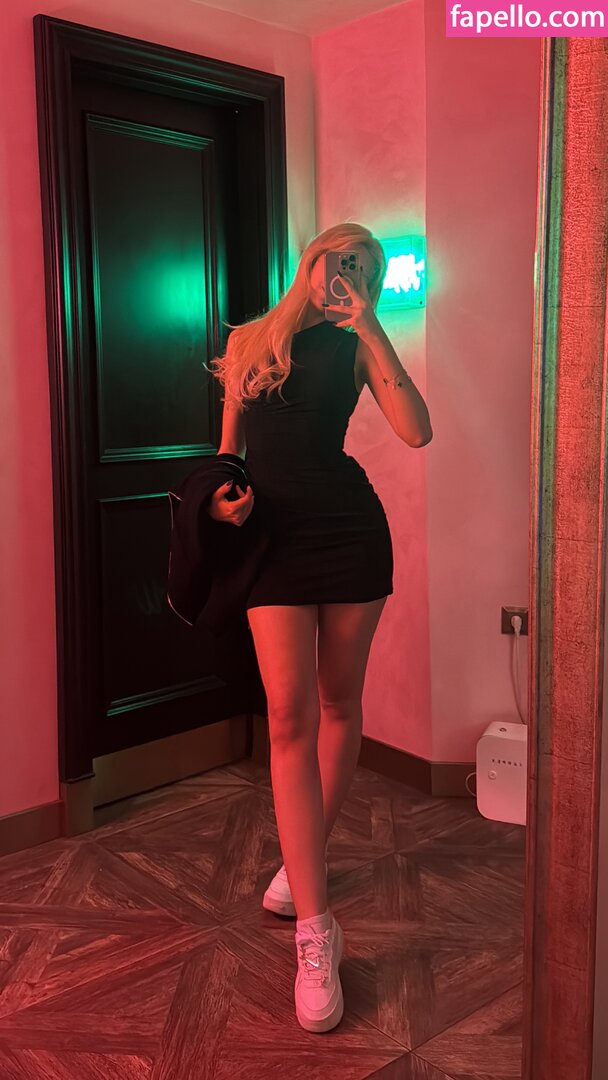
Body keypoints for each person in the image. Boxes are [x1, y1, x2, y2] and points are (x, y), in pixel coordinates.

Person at [207, 222, 432, 1033]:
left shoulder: (357, 344)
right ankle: (316, 927)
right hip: (271, 543)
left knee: (340, 706)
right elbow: (228, 456)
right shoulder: (249, 343)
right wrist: (220, 501)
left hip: (349, 535)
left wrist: (372, 326)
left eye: (367, 267)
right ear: (312, 261)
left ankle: (301, 868)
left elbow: (417, 430)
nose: (352, 274)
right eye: (343, 260)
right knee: (289, 717)